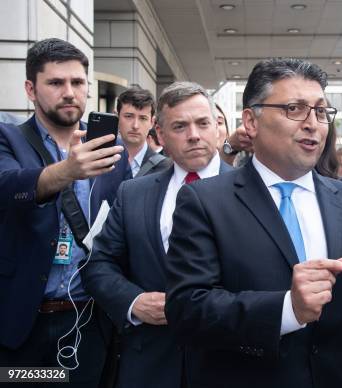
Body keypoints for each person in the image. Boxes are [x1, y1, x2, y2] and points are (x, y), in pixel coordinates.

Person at [164, 58, 342, 388]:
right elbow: (187, 310)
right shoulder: (203, 202)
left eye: (321, 112)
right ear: (251, 122)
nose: (313, 123)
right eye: (295, 109)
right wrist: (286, 309)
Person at [82, 82, 232, 388]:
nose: (194, 134)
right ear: (160, 135)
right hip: (149, 364)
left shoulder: (255, 191)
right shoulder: (133, 192)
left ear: (217, 128)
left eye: (203, 123)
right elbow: (99, 265)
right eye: (180, 126)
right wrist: (134, 301)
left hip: (228, 363)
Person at [0, 38, 130, 386]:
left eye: (77, 82)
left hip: (89, 322)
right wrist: (68, 170)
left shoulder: (112, 151)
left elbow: (124, 223)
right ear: (31, 88)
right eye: (56, 83)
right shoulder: (8, 138)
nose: (69, 92)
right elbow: (9, 187)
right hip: (24, 323)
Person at [116, 87, 171, 177]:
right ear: (117, 118)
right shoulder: (101, 161)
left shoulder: (165, 169)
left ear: (152, 122)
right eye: (129, 116)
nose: (135, 126)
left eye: (143, 118)